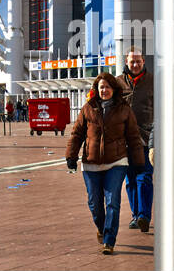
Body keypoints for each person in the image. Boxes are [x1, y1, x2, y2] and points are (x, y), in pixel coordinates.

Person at [65, 72, 144, 255]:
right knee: (94, 204)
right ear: (96, 89)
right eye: (101, 87)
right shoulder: (88, 108)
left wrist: (139, 161)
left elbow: (133, 136)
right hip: (91, 164)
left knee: (112, 202)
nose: (104, 90)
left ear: (114, 89)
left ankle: (109, 241)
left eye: (108, 87)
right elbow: (77, 134)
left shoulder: (124, 109)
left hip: (117, 162)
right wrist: (71, 156)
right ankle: (102, 228)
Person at [116, 48, 154, 232]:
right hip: (124, 140)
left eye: (138, 61)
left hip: (146, 138)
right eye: (132, 61)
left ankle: (144, 216)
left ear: (143, 61)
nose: (135, 64)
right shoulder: (118, 83)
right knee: (130, 179)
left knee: (144, 177)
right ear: (126, 62)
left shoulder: (154, 82)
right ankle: (135, 215)